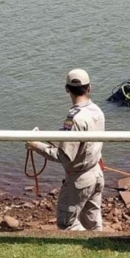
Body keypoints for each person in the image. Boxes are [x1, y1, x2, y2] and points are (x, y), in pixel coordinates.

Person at [25, 68, 105, 231]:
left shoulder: (74, 119)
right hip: (96, 172)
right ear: (89, 88)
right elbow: (81, 141)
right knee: (93, 222)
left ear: (67, 89)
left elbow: (64, 156)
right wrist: (47, 136)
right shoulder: (97, 111)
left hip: (79, 179)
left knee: (66, 223)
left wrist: (36, 146)